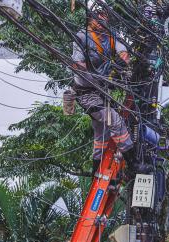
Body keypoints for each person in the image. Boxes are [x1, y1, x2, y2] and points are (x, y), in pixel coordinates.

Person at [70, 11, 134, 174]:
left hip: (102, 92)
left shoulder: (112, 36)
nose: (100, 20)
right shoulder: (82, 37)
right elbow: (77, 64)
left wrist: (120, 60)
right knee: (115, 120)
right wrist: (97, 73)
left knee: (101, 133)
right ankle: (132, 160)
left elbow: (124, 53)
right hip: (86, 93)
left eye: (103, 16)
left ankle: (95, 170)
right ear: (90, 19)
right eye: (96, 17)